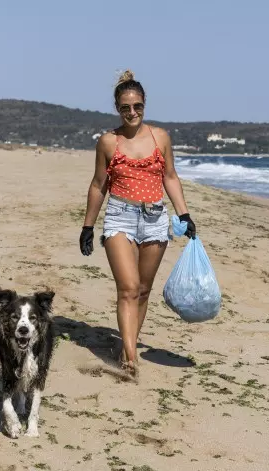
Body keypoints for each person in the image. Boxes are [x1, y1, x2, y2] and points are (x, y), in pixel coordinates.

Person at [78, 70, 197, 379]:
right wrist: (88, 227)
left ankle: (126, 346)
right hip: (119, 217)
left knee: (143, 291)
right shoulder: (108, 141)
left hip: (156, 219)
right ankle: (131, 359)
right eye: (125, 107)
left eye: (137, 106)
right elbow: (97, 185)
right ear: (117, 108)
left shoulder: (161, 138)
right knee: (128, 287)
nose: (132, 113)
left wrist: (184, 214)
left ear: (144, 104)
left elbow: (170, 177)